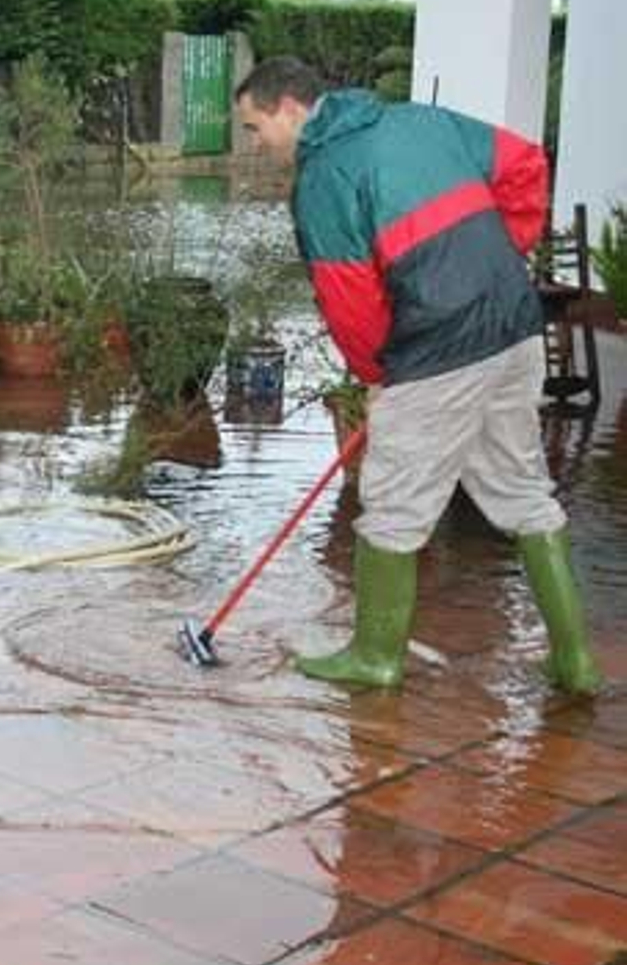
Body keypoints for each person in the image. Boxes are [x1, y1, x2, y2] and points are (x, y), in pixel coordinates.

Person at [232, 56, 601, 694]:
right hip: (514, 327)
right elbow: (524, 165)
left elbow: (349, 300)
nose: (257, 145)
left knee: (393, 507)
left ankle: (375, 658)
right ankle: (575, 661)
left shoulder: (324, 177)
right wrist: (499, 257)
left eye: (255, 127)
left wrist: (379, 375)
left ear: (290, 107)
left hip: (436, 353)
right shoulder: (423, 121)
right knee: (522, 491)